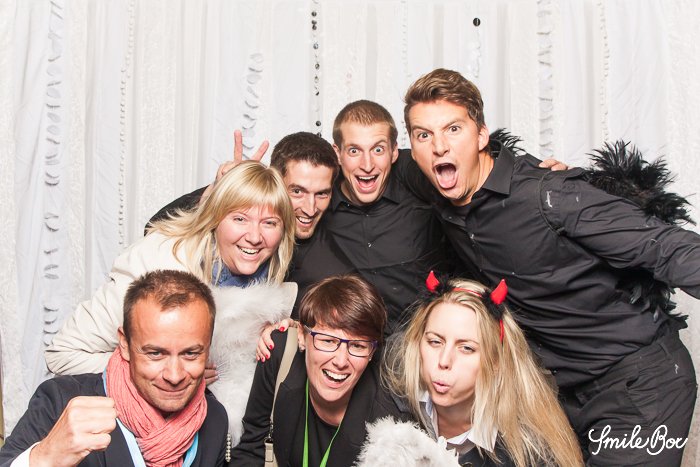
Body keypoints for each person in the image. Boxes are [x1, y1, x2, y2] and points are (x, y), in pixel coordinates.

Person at [404, 68, 700, 465]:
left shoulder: (549, 195)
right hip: (560, 393)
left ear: (481, 135)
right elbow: (366, 160)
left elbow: (666, 247)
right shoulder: (433, 186)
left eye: (453, 129)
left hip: (639, 382)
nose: (439, 146)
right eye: (423, 135)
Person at [45, 161, 296, 375]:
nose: (255, 236)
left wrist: (282, 339)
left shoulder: (269, 280)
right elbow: (64, 354)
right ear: (214, 218)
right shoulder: (158, 263)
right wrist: (167, 372)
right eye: (240, 219)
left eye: (269, 223)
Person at [0, 270, 228, 467]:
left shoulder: (214, 419)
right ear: (125, 344)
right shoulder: (62, 401)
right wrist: (45, 457)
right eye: (155, 353)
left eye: (191, 353)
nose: (174, 375)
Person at [382, 275, 583, 466]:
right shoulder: (385, 395)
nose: (444, 361)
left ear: (495, 361)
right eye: (435, 342)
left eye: (466, 348)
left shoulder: (533, 453)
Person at [231, 274, 411, 466]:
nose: (341, 361)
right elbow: (251, 448)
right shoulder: (279, 353)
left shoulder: (390, 420)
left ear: (372, 352)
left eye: (358, 346)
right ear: (301, 335)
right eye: (328, 341)